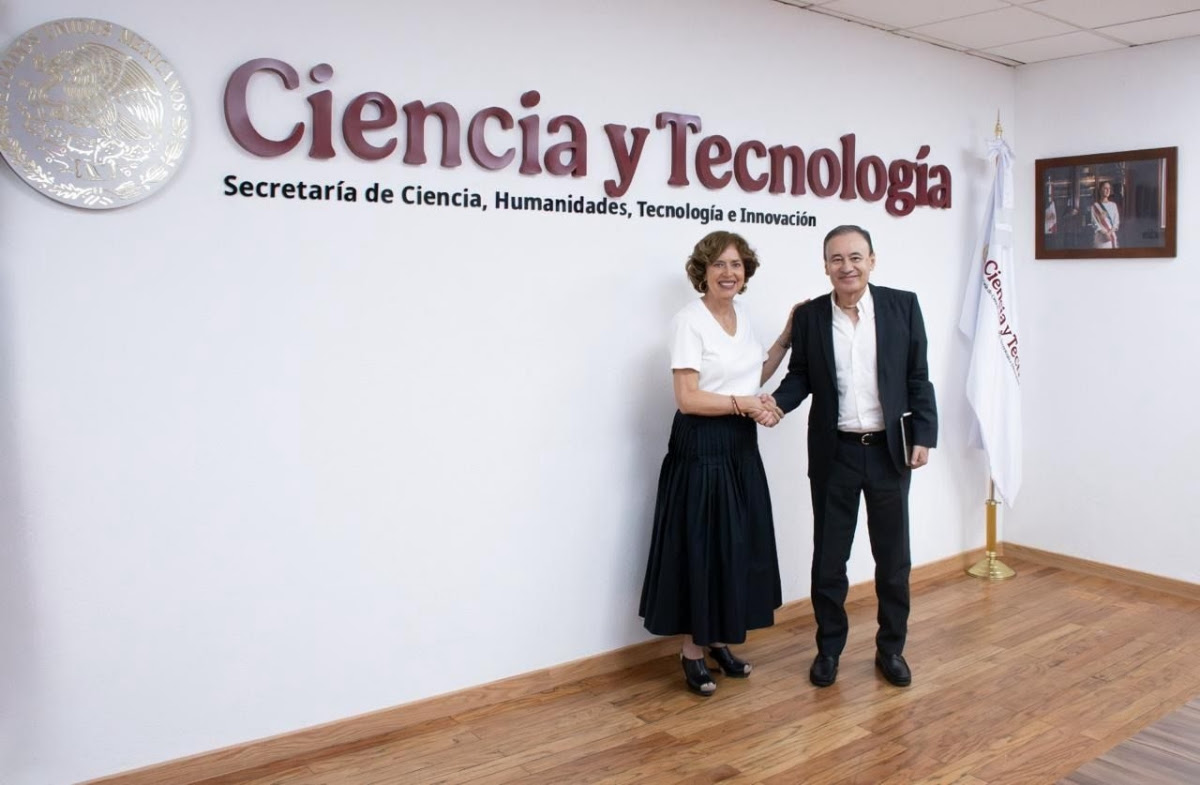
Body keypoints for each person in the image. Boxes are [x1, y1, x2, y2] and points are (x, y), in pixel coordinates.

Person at [770, 225, 937, 689]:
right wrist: (776, 405)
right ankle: (828, 650)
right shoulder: (809, 317)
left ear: (872, 260)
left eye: (855, 257)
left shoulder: (902, 306)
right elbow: (800, 376)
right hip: (834, 454)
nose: (847, 267)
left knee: (894, 560)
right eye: (837, 259)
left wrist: (923, 435)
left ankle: (891, 649)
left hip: (889, 452)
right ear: (825, 265)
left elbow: (918, 376)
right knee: (829, 561)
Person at [639, 230, 795, 697]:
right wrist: (742, 405)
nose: (729, 273)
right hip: (701, 445)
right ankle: (692, 650)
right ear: (702, 271)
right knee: (703, 546)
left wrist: (785, 338)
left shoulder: (742, 315)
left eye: (737, 264)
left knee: (734, 545)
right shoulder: (689, 321)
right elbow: (687, 398)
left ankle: (719, 640)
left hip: (739, 444)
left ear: (746, 272)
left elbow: (752, 375)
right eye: (719, 264)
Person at [1091, 180, 1120, 248]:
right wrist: (1104, 233)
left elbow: (1116, 222)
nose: (1108, 190)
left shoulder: (1113, 205)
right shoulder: (1094, 206)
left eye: (1109, 188)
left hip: (1111, 237)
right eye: (1105, 188)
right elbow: (1094, 223)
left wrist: (1109, 233)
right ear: (1100, 190)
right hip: (1100, 239)